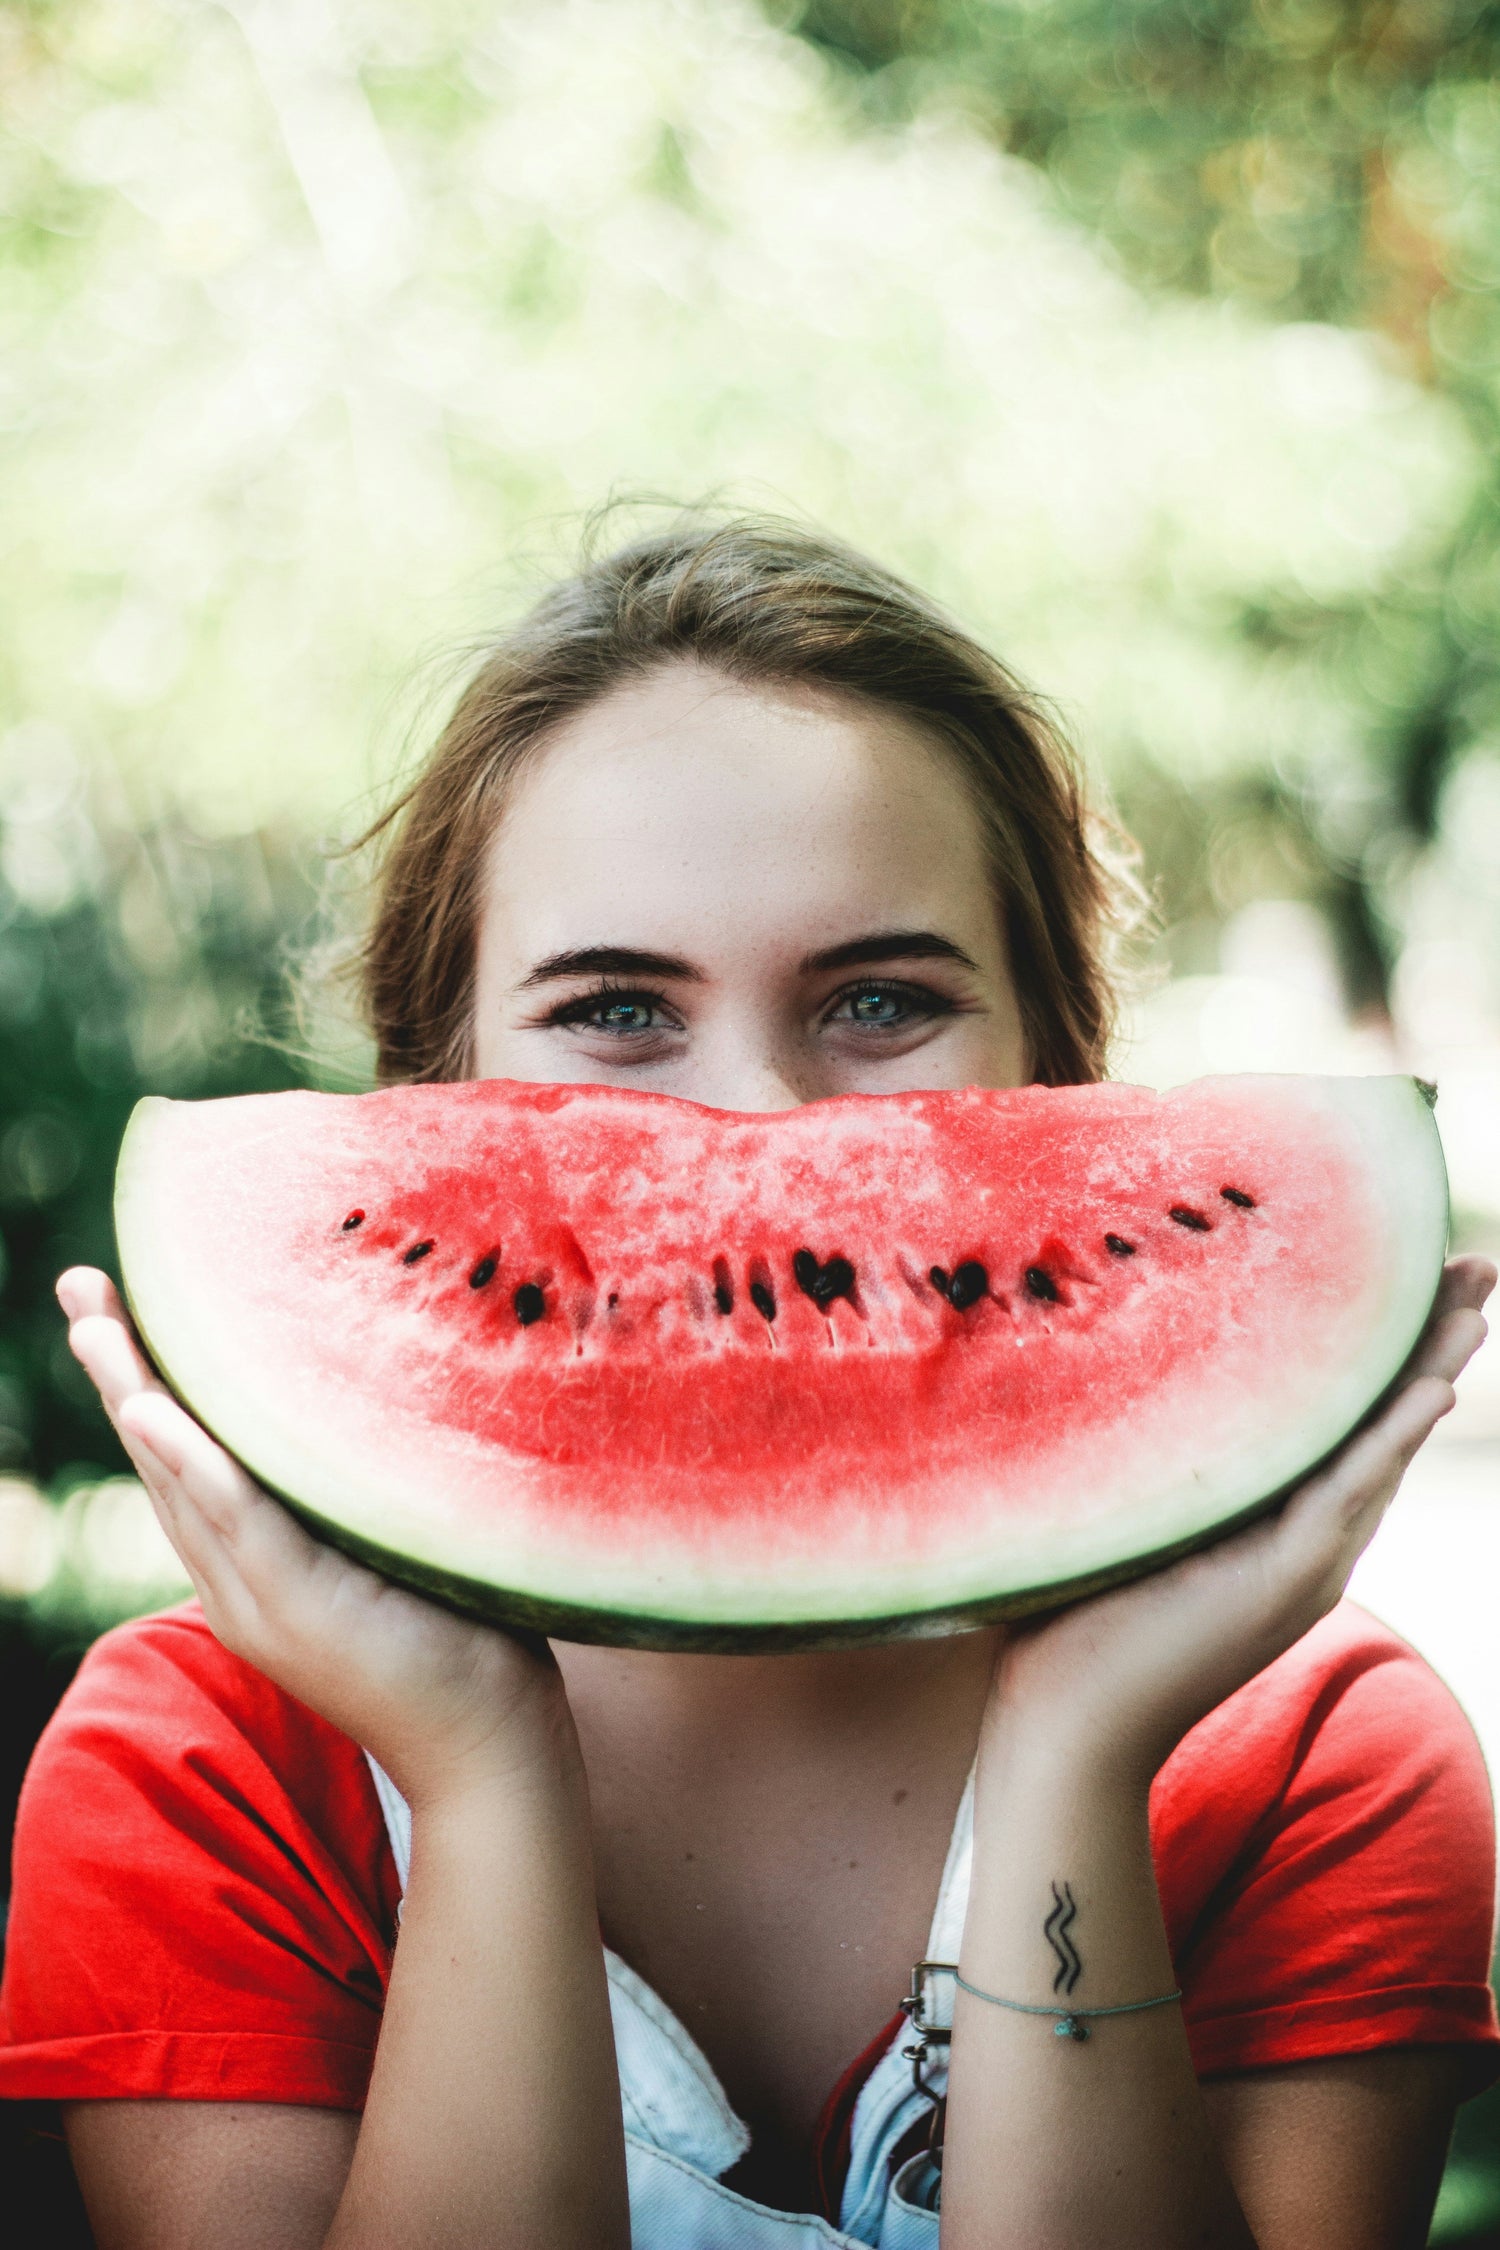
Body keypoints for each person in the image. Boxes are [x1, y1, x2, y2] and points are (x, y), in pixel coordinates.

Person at [0, 516, 1494, 2250]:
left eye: (878, 996)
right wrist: (479, 1775)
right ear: (436, 1090)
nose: (760, 1133)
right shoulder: (210, 1763)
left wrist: (1076, 1750)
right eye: (619, 1009)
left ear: (1057, 1073)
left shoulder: (1316, 1756)